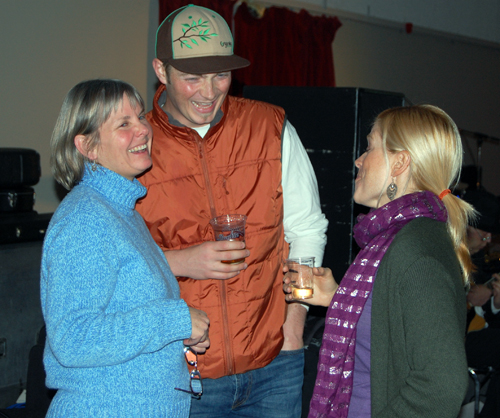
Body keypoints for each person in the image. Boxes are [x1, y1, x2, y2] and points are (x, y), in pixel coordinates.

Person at [135, 4, 328, 417]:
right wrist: (179, 260)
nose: (209, 92)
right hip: (181, 374)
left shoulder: (270, 127)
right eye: (192, 78)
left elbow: (306, 228)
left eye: (220, 75)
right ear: (161, 70)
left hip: (275, 366)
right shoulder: (137, 147)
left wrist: (294, 325)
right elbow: (115, 264)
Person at [284, 104, 474, 417]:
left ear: (400, 162)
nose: (359, 159)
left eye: (370, 147)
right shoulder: (397, 237)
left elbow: (442, 383)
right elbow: (393, 336)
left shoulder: (416, 248)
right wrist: (338, 298)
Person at [41, 79, 210, 417]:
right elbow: (73, 338)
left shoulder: (120, 212)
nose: (143, 130)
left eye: (140, 117)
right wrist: (173, 321)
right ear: (88, 146)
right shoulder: (85, 219)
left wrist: (177, 340)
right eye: (123, 124)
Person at [463, 189, 500, 418]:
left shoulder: (475, 257)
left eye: (490, 238)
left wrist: (492, 302)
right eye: (483, 236)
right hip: (452, 341)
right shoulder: (446, 251)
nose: (486, 243)